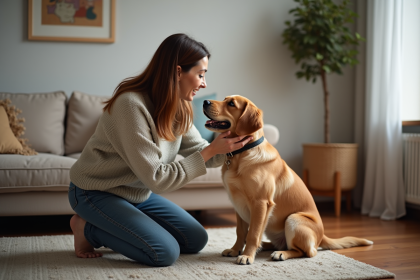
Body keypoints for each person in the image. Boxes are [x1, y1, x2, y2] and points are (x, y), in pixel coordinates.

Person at [68, 33, 253, 267]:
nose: (204, 83)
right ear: (177, 72)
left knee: (195, 239)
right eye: (200, 74)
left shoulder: (181, 105)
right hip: (95, 191)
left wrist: (232, 145)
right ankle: (86, 228)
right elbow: (157, 178)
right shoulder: (131, 105)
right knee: (163, 252)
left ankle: (116, 223)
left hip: (136, 193)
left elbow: (200, 150)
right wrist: (210, 151)